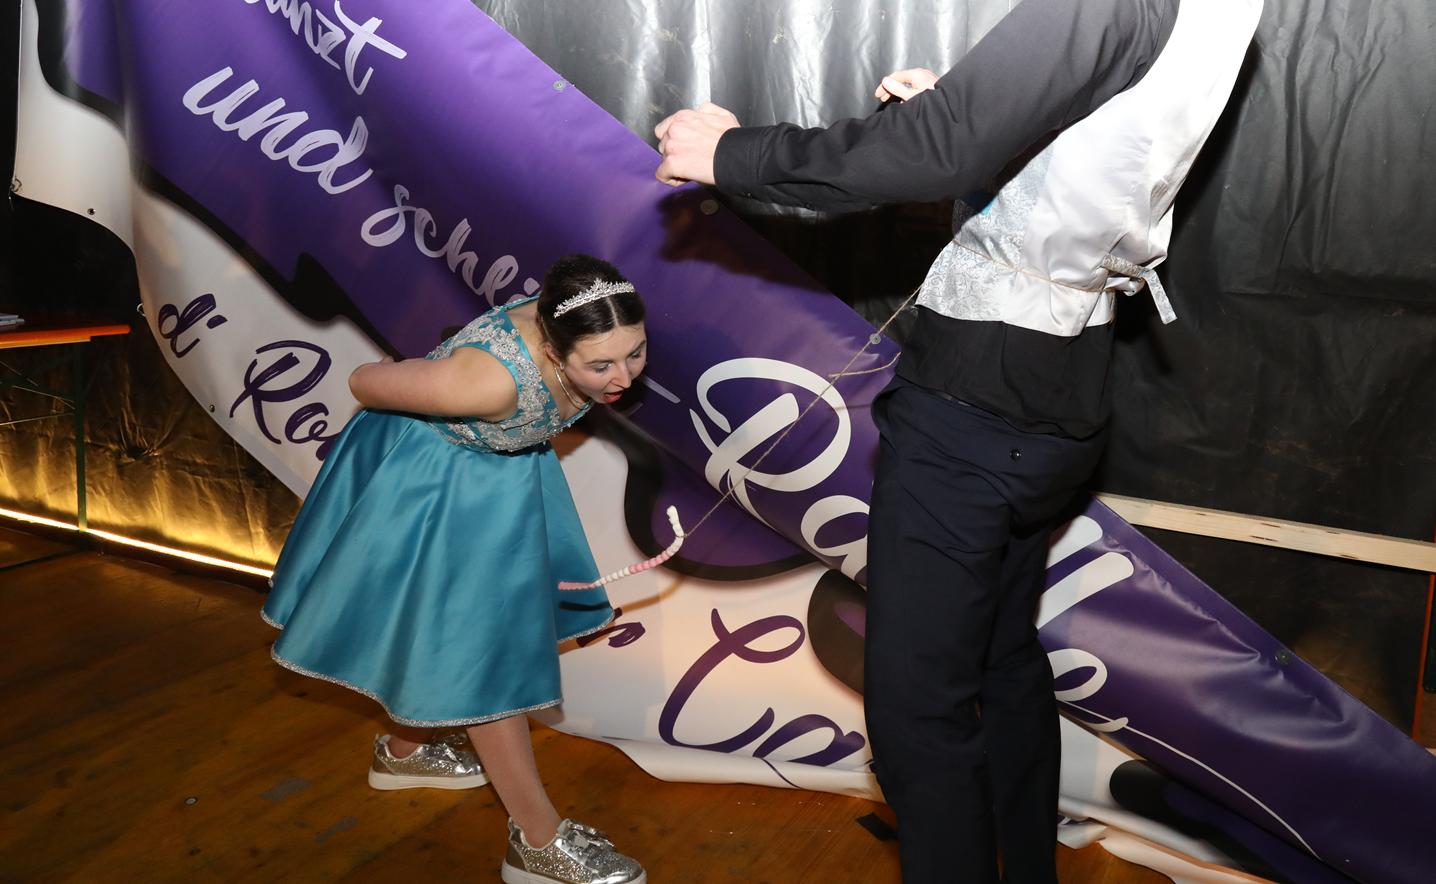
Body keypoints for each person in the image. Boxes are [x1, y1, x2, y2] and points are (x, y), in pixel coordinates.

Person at [653, 0, 1262, 881]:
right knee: (1002, 654)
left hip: (982, 392)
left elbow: (939, 151)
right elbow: (1101, 152)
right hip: (1066, 370)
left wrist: (731, 152)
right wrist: (977, 119)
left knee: (917, 713)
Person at [262, 254, 650, 884]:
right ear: (553, 349)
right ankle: (537, 841)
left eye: (634, 353)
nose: (624, 377)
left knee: (455, 641)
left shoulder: (576, 317)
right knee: (484, 657)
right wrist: (434, 383)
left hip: (498, 475)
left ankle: (404, 752)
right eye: (601, 365)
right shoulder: (484, 384)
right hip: (429, 485)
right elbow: (362, 380)